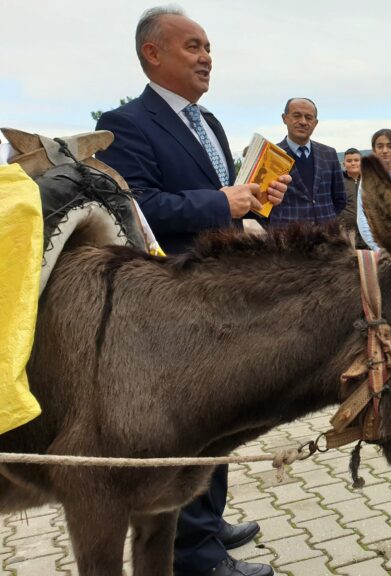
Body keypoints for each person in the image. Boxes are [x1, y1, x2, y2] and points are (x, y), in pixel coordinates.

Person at [94, 7, 286, 576]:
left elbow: (223, 198)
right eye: (193, 47)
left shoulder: (211, 124)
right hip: (172, 300)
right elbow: (136, 206)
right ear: (152, 53)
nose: (207, 58)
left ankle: (209, 521)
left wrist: (256, 199)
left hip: (218, 294)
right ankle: (196, 554)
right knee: (190, 425)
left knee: (219, 416)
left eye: (209, 49)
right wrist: (221, 202)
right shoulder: (125, 123)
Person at [269, 98, 346, 227]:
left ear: (315, 123)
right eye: (297, 116)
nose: (303, 122)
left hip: (326, 234)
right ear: (284, 118)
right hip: (287, 235)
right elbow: (262, 203)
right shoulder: (272, 155)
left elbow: (340, 199)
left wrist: (326, 218)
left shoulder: (329, 154)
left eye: (309, 117)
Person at [358, 128, 391, 250]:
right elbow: (362, 218)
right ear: (374, 150)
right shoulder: (367, 180)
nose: (385, 150)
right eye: (380, 146)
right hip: (379, 249)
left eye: (390, 146)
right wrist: (378, 248)